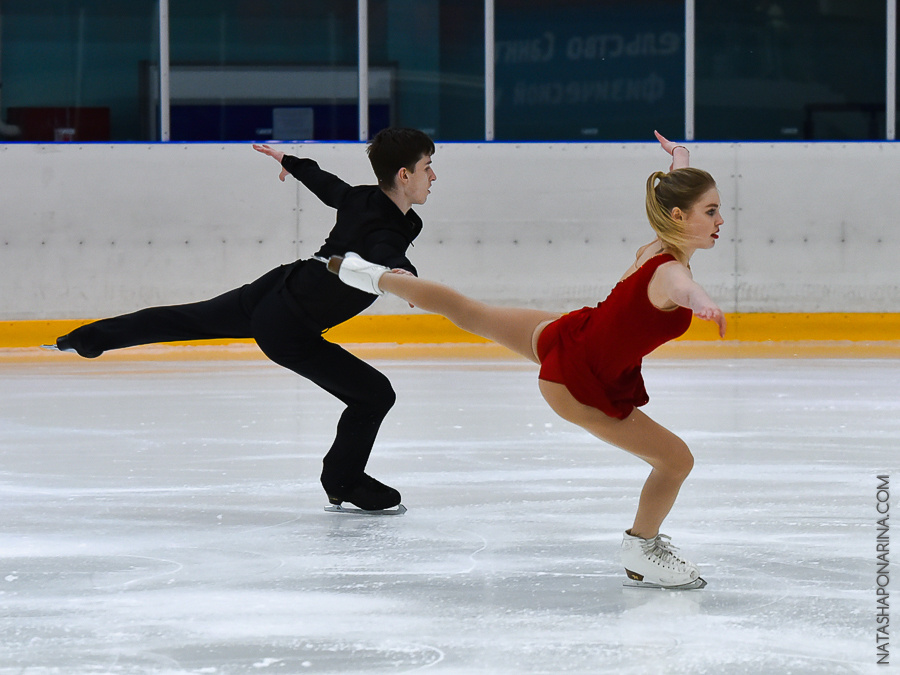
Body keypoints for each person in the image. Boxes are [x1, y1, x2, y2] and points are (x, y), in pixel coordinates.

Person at [325, 132, 726, 589]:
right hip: (579, 382)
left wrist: (680, 158)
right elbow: (682, 288)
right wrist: (704, 302)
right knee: (676, 461)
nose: (720, 220)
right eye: (711, 211)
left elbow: (671, 199)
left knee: (471, 312)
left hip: (568, 335)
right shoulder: (670, 270)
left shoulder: (657, 246)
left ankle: (369, 276)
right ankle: (642, 549)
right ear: (679, 216)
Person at [44, 127, 437, 514]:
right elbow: (384, 248)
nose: (433, 176)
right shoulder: (385, 226)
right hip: (290, 326)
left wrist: (291, 162)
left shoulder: (363, 199)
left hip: (276, 288)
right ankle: (343, 481)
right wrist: (405, 275)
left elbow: (328, 186)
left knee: (184, 319)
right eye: (427, 167)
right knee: (374, 395)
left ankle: (86, 339)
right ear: (404, 175)